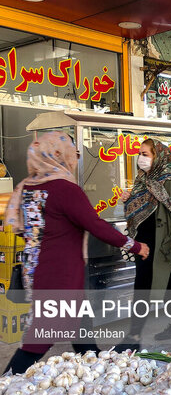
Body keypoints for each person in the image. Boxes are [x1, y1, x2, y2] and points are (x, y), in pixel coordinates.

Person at [3, 132, 148, 373]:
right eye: (73, 154)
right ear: (59, 155)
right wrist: (135, 245)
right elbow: (96, 225)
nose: (75, 159)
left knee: (80, 325)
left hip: (37, 268)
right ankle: (6, 383)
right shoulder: (64, 188)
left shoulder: (28, 186)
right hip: (59, 274)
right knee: (39, 337)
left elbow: (23, 228)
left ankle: (94, 364)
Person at [118, 139, 171, 350]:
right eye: (140, 154)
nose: (141, 158)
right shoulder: (143, 180)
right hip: (143, 242)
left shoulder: (170, 182)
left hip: (162, 244)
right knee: (168, 285)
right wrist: (128, 199)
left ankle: (133, 336)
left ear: (158, 157)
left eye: (146, 154)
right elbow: (140, 210)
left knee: (142, 286)